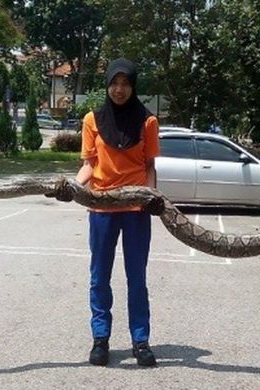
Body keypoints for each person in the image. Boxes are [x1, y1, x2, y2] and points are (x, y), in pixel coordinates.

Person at [54, 58, 164, 367]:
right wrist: (71, 188)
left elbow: (149, 166)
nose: (119, 89)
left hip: (136, 209)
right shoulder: (93, 119)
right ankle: (100, 339)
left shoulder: (147, 122)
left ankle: (140, 341)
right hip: (101, 207)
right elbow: (89, 165)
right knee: (99, 276)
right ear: (107, 86)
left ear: (133, 86)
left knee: (136, 277)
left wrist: (152, 196)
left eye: (125, 83)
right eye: (114, 83)